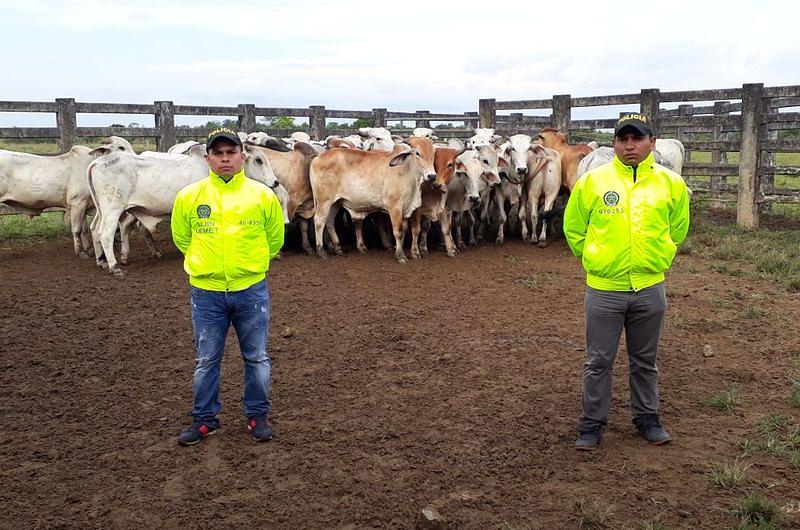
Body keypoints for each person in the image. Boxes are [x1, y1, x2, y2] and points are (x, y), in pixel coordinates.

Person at [563, 114, 690, 451]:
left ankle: (647, 419)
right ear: (615, 143)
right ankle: (591, 424)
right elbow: (574, 228)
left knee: (645, 360)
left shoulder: (670, 184)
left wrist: (657, 258)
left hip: (649, 288)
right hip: (604, 289)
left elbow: (677, 230)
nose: (630, 145)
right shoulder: (593, 182)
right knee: (598, 361)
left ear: (652, 141)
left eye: (637, 138)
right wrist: (594, 259)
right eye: (623, 139)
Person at [171, 128, 285, 446]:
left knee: (256, 356)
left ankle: (257, 415)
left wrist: (251, 264)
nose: (225, 159)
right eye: (218, 153)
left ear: (242, 157)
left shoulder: (262, 196)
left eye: (230, 153)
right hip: (206, 292)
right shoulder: (189, 197)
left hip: (250, 289)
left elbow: (274, 239)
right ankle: (205, 419)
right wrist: (204, 264)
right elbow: (182, 238)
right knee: (207, 359)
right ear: (207, 158)